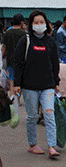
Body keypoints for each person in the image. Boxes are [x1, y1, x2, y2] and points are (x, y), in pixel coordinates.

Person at [14, 10, 60, 158]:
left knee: (49, 114)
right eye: (36, 22)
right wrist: (16, 84)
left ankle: (52, 146)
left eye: (42, 22)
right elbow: (18, 63)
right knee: (32, 116)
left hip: (47, 85)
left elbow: (55, 64)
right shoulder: (25, 41)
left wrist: (56, 82)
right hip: (29, 86)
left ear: (46, 24)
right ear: (31, 24)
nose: (39, 25)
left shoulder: (51, 42)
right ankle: (33, 144)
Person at [2, 13, 27, 95]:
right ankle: (18, 98)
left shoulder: (7, 33)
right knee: (20, 79)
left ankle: (12, 96)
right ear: (21, 22)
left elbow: (4, 47)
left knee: (11, 79)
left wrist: (1, 58)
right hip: (22, 61)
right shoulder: (24, 34)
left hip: (10, 60)